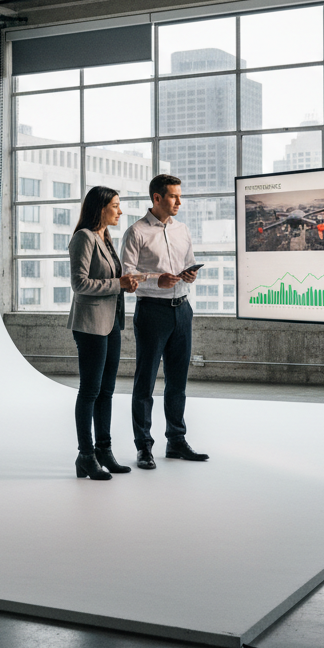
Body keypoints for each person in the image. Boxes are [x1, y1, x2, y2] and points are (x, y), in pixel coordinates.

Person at [121, 174, 208, 469]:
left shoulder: (182, 230)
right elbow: (127, 277)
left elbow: (188, 262)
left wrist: (190, 274)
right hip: (152, 313)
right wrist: (157, 281)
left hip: (182, 311)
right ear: (157, 198)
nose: (179, 202)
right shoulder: (136, 233)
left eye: (179, 196)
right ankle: (143, 447)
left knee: (177, 382)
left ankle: (176, 441)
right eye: (173, 196)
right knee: (145, 382)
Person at [67, 186, 140, 480]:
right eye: (115, 206)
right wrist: (118, 285)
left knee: (107, 392)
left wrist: (127, 284)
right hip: (90, 326)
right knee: (90, 391)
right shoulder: (83, 238)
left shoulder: (105, 238)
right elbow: (79, 284)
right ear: (100, 208)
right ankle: (85, 456)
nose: (120, 211)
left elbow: (111, 280)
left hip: (111, 325)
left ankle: (104, 451)